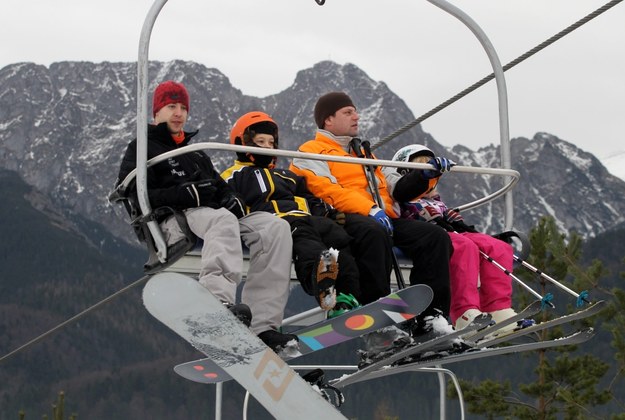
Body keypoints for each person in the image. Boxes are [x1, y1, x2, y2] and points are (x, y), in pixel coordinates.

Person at [115, 80, 298, 353]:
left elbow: (217, 185)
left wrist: (230, 198)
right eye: (171, 106)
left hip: (211, 212)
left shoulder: (195, 153)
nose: (178, 113)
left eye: (182, 108)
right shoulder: (143, 147)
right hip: (176, 216)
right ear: (157, 112)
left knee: (275, 228)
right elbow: (134, 192)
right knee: (222, 220)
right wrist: (185, 194)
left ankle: (264, 325)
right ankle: (217, 301)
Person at [289, 91, 454, 341]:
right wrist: (369, 209)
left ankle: (431, 317)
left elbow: (396, 187)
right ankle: (377, 322)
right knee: (372, 233)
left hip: (381, 217)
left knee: (434, 237)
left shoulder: (365, 154)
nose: (356, 116)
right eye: (348, 112)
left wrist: (425, 176)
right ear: (328, 120)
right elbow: (326, 189)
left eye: (355, 111)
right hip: (344, 217)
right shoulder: (310, 152)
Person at [222, 111, 362, 317]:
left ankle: (347, 299)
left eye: (271, 143)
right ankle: (321, 284)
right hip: (279, 221)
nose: (267, 147)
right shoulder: (236, 175)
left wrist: (327, 212)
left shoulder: (287, 175)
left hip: (308, 218)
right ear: (241, 144)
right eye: (260, 142)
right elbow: (226, 196)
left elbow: (308, 197)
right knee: (308, 245)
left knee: (339, 239)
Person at [390, 144, 519, 332]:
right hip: (426, 235)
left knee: (498, 247)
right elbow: (404, 215)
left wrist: (454, 221)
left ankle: (498, 308)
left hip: (449, 231)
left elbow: (453, 221)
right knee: (464, 247)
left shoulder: (436, 201)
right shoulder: (401, 196)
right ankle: (464, 311)